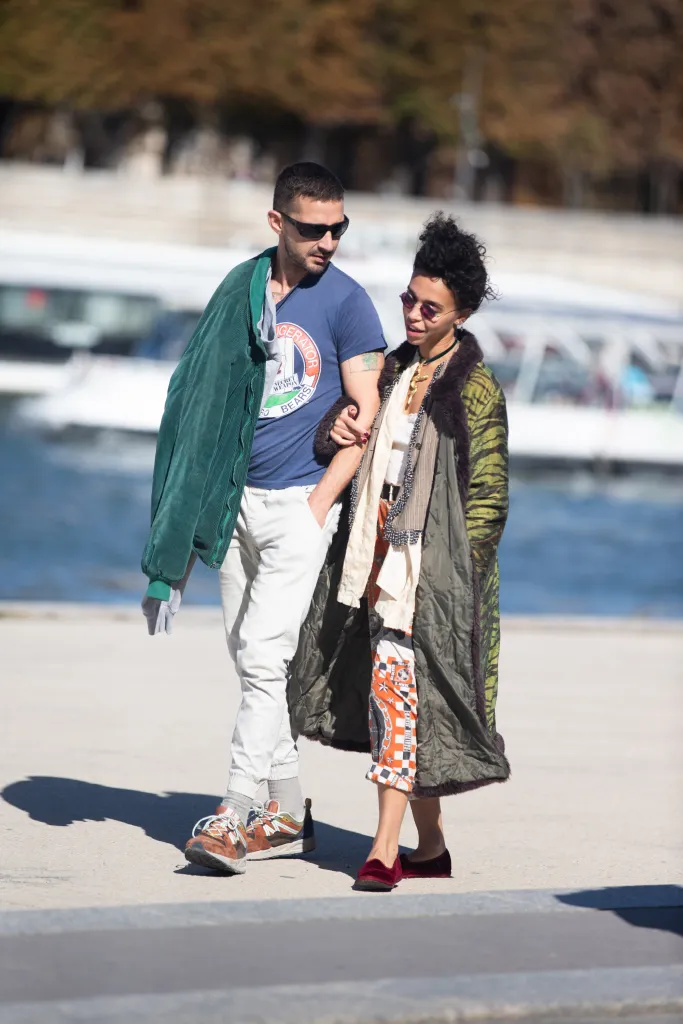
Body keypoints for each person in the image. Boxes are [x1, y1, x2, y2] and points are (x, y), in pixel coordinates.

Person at [140, 162, 386, 874]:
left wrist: (318, 506)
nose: (329, 241)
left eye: (339, 227)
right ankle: (287, 812)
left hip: (298, 507)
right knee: (249, 660)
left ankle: (234, 812)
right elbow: (196, 399)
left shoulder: (347, 302)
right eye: (314, 228)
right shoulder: (239, 291)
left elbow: (363, 414)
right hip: (231, 503)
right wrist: (181, 524)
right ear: (277, 222)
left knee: (265, 655)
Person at [289, 213, 510, 891]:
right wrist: (337, 425)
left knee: (398, 701)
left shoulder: (473, 389)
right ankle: (429, 846)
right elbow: (343, 443)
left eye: (429, 307)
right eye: (408, 300)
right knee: (406, 707)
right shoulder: (391, 368)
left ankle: (384, 849)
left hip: (431, 579)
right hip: (372, 560)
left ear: (461, 313)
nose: (412, 313)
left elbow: (488, 501)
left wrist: (447, 575)